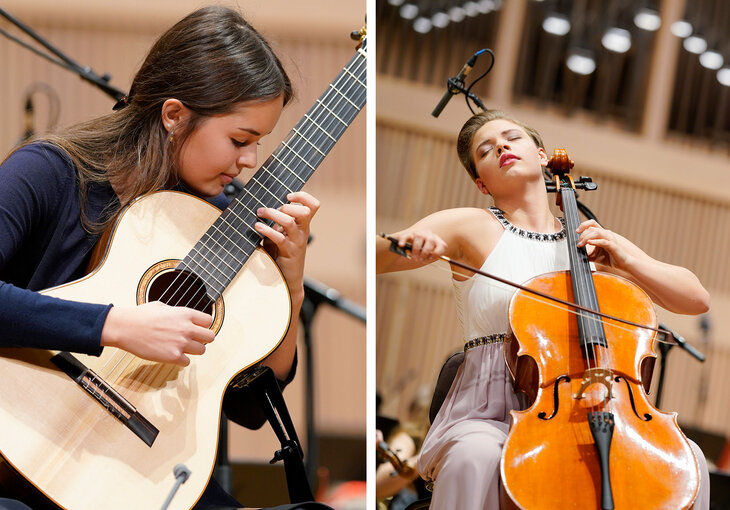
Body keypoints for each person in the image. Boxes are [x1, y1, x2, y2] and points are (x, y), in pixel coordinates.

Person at [0, 6, 328, 510]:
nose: (250, 162)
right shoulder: (49, 172)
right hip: (19, 445)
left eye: (258, 143)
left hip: (141, 474)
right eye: (240, 140)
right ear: (174, 115)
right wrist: (112, 325)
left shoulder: (222, 224)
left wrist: (290, 284)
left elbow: (248, 407)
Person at [376, 110, 712, 509]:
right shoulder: (472, 225)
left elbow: (696, 299)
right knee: (475, 456)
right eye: (486, 149)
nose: (500, 146)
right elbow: (379, 255)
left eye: (510, 138)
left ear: (539, 155)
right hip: (489, 409)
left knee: (687, 459)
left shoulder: (588, 243)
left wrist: (625, 260)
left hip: (587, 406)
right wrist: (406, 243)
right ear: (481, 184)